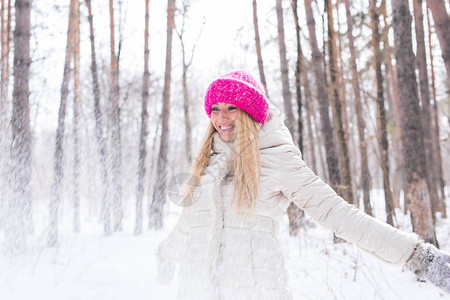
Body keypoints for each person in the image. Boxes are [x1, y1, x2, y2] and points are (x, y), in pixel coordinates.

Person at [156, 70, 450, 299]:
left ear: (249, 113)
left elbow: (338, 214)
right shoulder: (209, 163)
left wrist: (418, 256)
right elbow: (189, 223)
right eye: (215, 109)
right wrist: (165, 256)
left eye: (231, 107)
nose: (222, 118)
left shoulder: (277, 158)